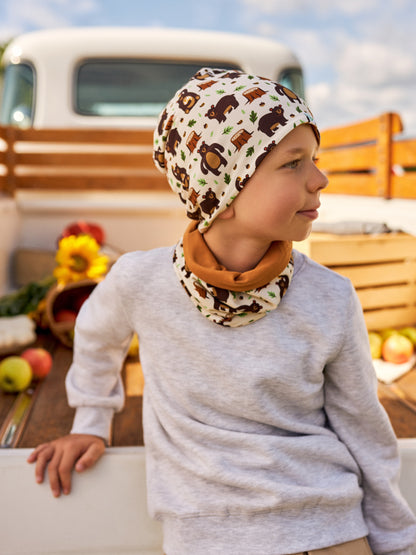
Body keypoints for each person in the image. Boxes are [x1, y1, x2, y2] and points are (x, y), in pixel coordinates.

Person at [28, 68, 416, 555]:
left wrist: (398, 542)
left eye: (313, 159)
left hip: (329, 524)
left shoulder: (331, 297)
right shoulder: (140, 281)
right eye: (294, 163)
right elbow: (96, 335)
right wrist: (90, 422)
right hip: (212, 532)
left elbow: (364, 428)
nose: (320, 178)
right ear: (222, 194)